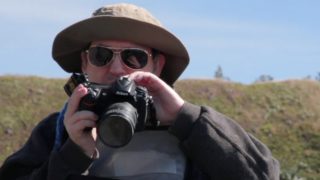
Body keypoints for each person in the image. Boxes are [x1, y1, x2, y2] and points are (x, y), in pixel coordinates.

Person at [0, 3, 280, 180]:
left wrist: (188, 119)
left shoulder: (192, 133)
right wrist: (72, 154)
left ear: (157, 65)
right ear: (85, 61)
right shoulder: (57, 131)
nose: (117, 69)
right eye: (101, 55)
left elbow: (265, 175)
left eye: (134, 57)